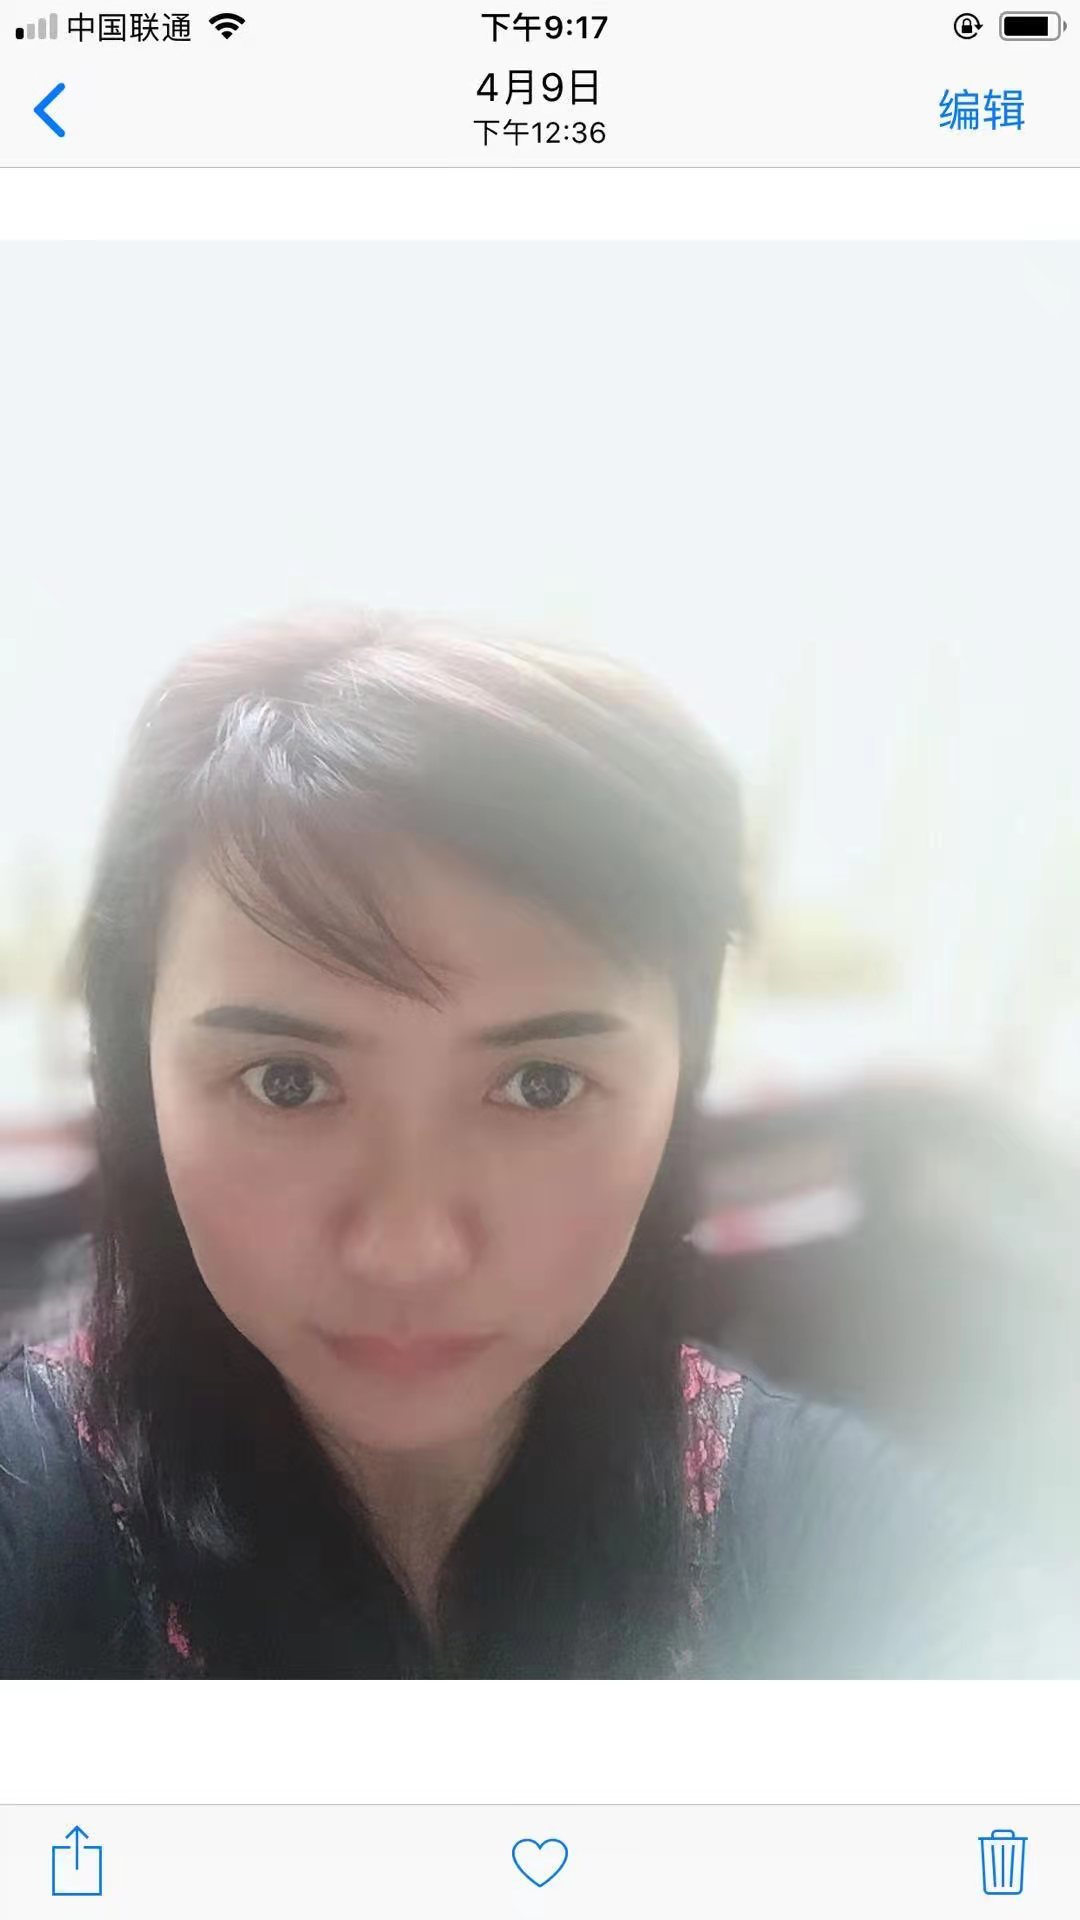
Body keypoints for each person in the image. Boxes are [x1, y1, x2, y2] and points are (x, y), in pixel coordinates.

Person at [0, 609, 1073, 1679]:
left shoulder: (850, 1543)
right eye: (288, 1082)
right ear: (139, 1078)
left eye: (541, 1085)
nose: (410, 1249)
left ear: (677, 1081)